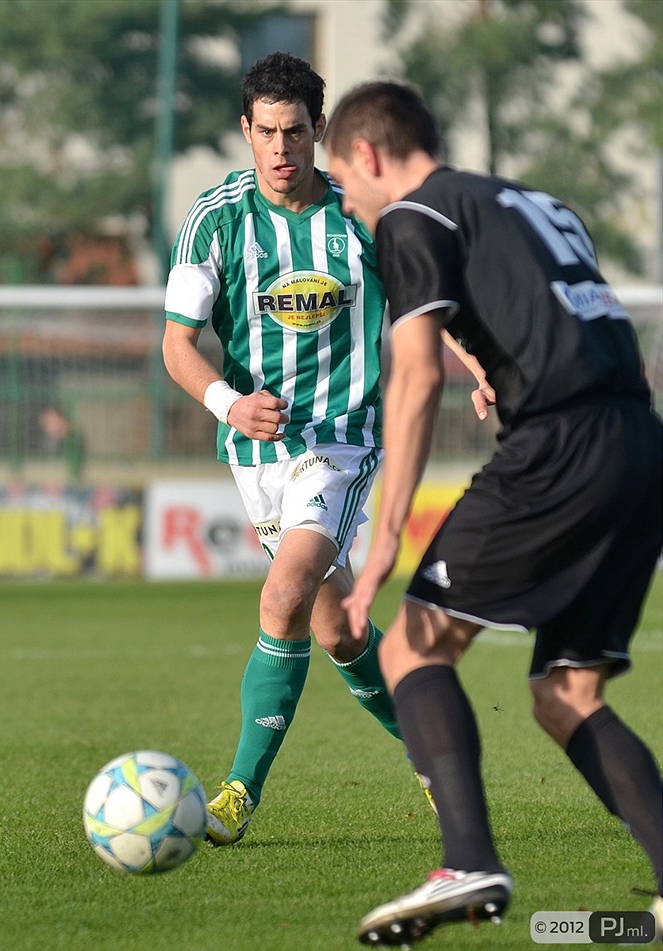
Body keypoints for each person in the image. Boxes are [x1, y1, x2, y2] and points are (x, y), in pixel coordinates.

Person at [324, 80, 663, 946]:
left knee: (412, 644)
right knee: (566, 691)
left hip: (558, 447)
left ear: (367, 153)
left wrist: (384, 540)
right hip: (637, 439)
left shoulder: (412, 215)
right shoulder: (527, 201)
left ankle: (467, 857)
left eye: (345, 180)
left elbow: (413, 376)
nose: (352, 204)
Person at [162, 56, 449, 847]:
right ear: (245, 132)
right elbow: (177, 346)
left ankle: (236, 795)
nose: (281, 148)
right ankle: (438, 755)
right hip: (256, 454)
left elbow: (432, 300)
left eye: (295, 132)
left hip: (341, 441)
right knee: (337, 632)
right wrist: (229, 401)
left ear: (318, 131)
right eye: (266, 132)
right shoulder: (215, 218)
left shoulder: (361, 216)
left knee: (284, 594)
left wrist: (486, 365)